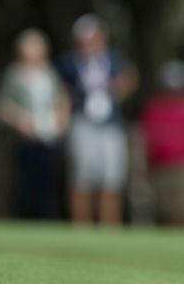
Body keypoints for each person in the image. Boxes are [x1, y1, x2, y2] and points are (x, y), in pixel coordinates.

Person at [58, 14, 139, 225]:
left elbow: (131, 76)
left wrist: (117, 90)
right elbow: (62, 90)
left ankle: (109, 226)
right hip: (83, 123)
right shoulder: (70, 63)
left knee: (112, 179)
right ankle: (81, 226)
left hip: (110, 125)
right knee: (81, 178)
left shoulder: (113, 59)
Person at [0, 29, 70, 219]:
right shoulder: (14, 73)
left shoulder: (50, 73)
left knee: (47, 184)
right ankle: (22, 218)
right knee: (24, 185)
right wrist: (20, 120)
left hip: (47, 138)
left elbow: (62, 99)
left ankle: (45, 220)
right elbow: (2, 106)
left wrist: (61, 118)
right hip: (24, 140)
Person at [139, 60, 184, 226]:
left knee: (183, 209)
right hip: (160, 166)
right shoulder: (154, 109)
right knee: (162, 208)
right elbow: (147, 140)